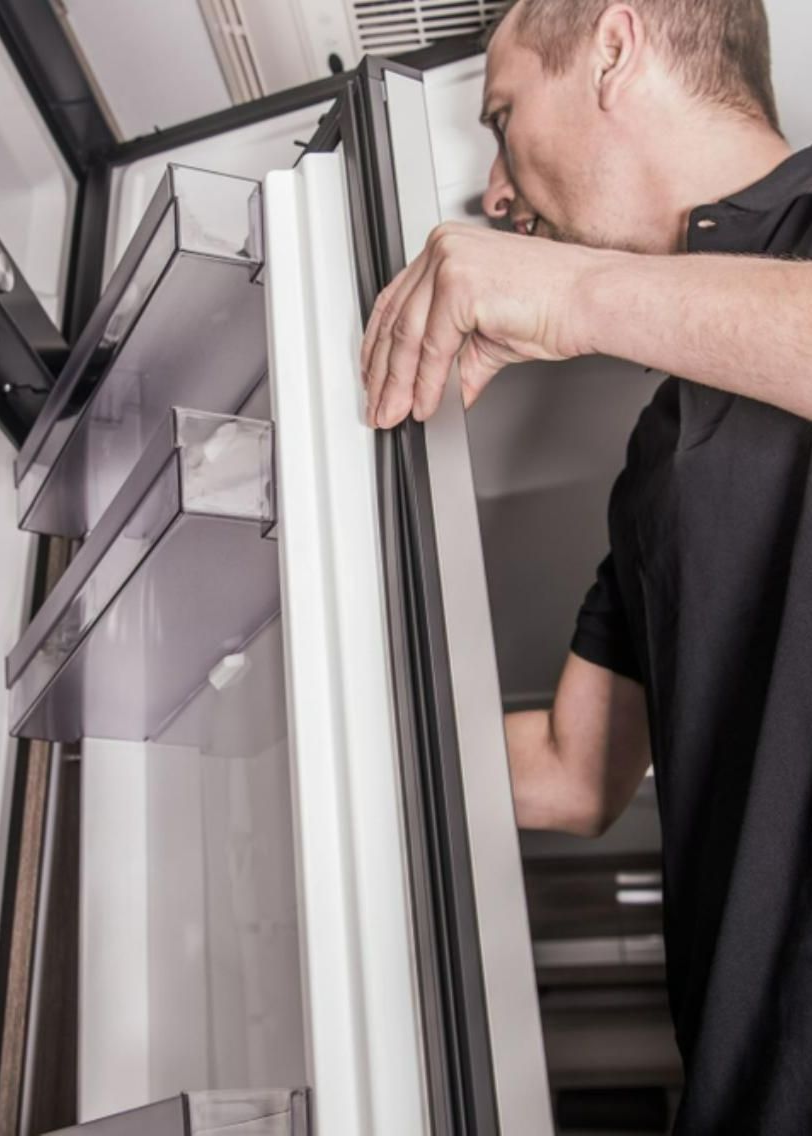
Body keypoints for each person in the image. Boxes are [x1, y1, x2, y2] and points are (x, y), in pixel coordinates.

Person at [360, 0, 812, 1131]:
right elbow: (573, 768)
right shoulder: (660, 448)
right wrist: (315, 707)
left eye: (503, 118)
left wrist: (567, 296)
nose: (500, 192)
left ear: (615, 47)